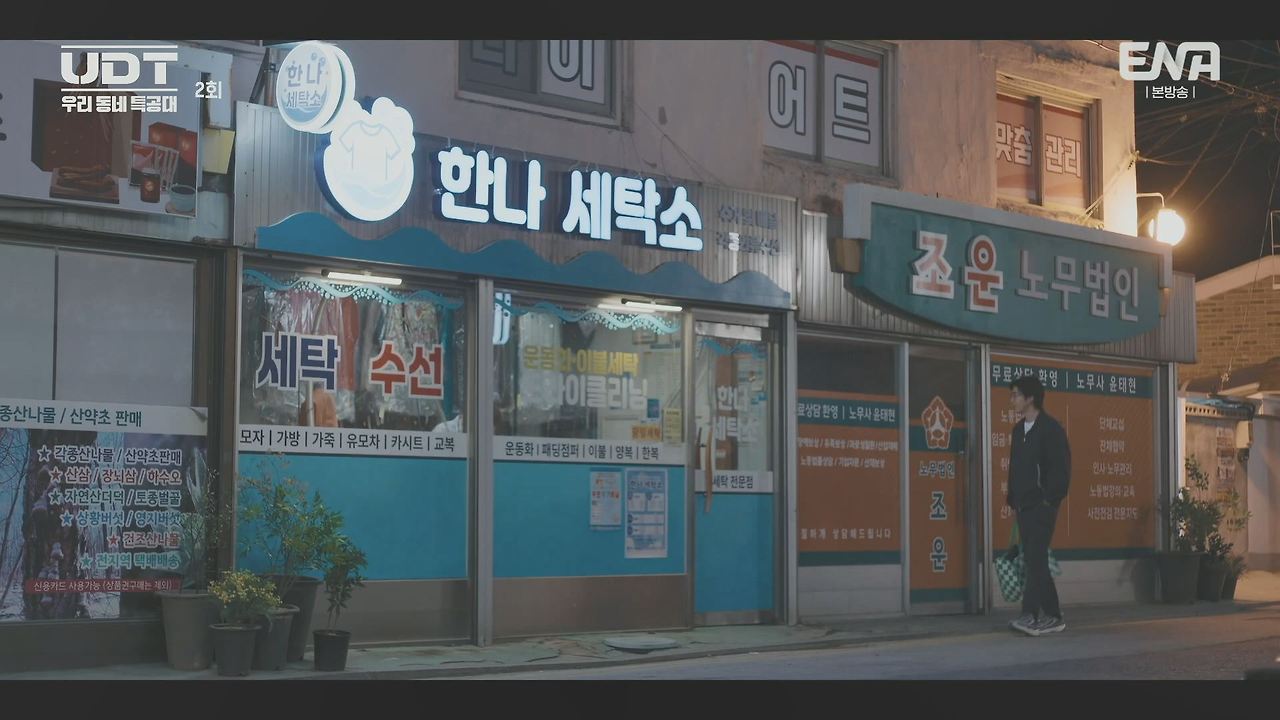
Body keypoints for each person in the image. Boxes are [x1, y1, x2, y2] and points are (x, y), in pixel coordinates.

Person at [1007, 374, 1071, 637]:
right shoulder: (1018, 431)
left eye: (1016, 395)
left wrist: (1049, 501)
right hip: (1023, 506)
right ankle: (1045, 615)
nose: (1012, 400)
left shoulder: (1051, 429)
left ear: (1030, 398)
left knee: (1035, 558)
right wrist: (1012, 499)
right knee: (1035, 560)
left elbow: (1061, 469)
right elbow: (1015, 468)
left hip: (1042, 506)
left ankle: (1038, 614)